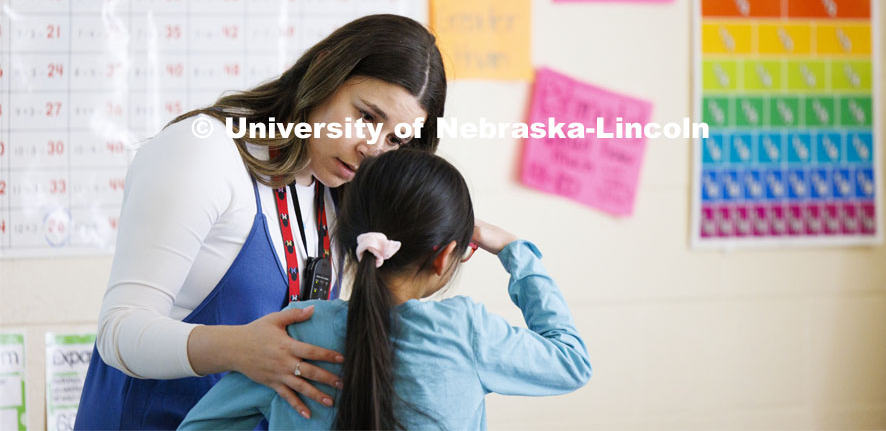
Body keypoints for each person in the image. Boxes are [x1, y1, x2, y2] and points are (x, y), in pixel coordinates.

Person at [74, 14, 447, 430]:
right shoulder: (205, 152)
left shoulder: (338, 191)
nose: (372, 149)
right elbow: (118, 330)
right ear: (325, 70)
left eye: (396, 140)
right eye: (367, 117)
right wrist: (239, 349)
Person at [179, 149, 592, 430]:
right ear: (445, 255)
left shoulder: (299, 332)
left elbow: (201, 425)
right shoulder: (467, 332)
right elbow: (571, 362)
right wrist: (515, 252)